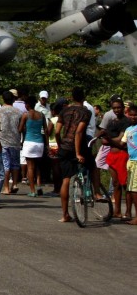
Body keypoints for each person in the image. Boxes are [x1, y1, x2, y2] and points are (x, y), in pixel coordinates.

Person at [55, 86, 92, 223]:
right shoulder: (85, 112)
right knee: (93, 165)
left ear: (72, 97)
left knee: (66, 179)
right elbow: (79, 132)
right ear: (83, 97)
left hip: (64, 147)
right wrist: (77, 152)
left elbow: (57, 132)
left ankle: (65, 215)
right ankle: (97, 193)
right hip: (78, 147)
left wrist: (60, 145)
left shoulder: (64, 111)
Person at [111, 104, 137, 224]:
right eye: (131, 115)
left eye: (135, 115)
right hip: (131, 161)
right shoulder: (128, 129)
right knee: (131, 189)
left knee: (134, 190)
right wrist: (107, 139)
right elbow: (121, 144)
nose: (133, 117)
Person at [0, 90, 23, 195]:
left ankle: (6, 187)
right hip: (15, 140)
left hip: (2, 141)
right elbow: (21, 128)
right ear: (13, 99)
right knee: (15, 164)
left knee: (5, 165)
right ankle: (15, 184)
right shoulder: (19, 112)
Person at [20, 95, 47, 197]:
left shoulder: (26, 115)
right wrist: (47, 144)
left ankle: (32, 190)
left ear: (27, 105)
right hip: (40, 142)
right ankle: (39, 186)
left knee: (30, 167)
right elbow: (46, 130)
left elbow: (20, 129)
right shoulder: (41, 115)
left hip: (29, 141)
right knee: (38, 166)